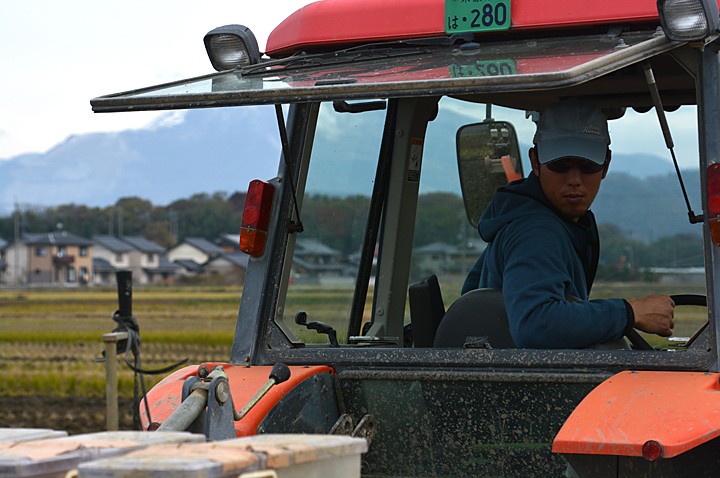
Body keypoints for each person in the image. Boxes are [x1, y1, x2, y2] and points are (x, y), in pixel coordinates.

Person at [462, 99, 675, 349]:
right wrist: (629, 313)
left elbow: (472, 296)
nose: (574, 179)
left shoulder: (530, 219)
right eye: (560, 165)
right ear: (535, 162)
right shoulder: (536, 232)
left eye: (587, 166)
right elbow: (535, 324)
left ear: (605, 165)